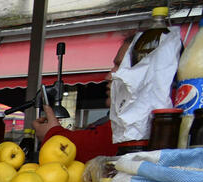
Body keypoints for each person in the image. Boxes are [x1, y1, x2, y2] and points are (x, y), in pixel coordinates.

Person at [31, 34, 133, 163]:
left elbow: (99, 146)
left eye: (120, 66)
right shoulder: (120, 122)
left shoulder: (141, 127)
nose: (108, 76)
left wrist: (52, 134)